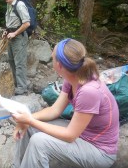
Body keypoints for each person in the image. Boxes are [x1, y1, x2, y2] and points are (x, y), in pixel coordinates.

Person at [11, 38, 119, 168]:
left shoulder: (89, 91)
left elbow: (70, 135)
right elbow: (54, 110)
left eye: (53, 56)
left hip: (99, 151)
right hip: (83, 134)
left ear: (60, 65)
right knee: (30, 126)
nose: (51, 57)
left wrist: (30, 120)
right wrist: (26, 119)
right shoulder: (72, 78)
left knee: (39, 142)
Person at [2, 0, 30, 95]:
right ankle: (16, 84)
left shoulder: (20, 5)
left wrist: (14, 33)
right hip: (11, 36)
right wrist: (6, 30)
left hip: (19, 37)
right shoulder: (9, 6)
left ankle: (22, 87)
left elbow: (27, 23)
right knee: (11, 60)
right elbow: (11, 22)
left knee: (20, 63)